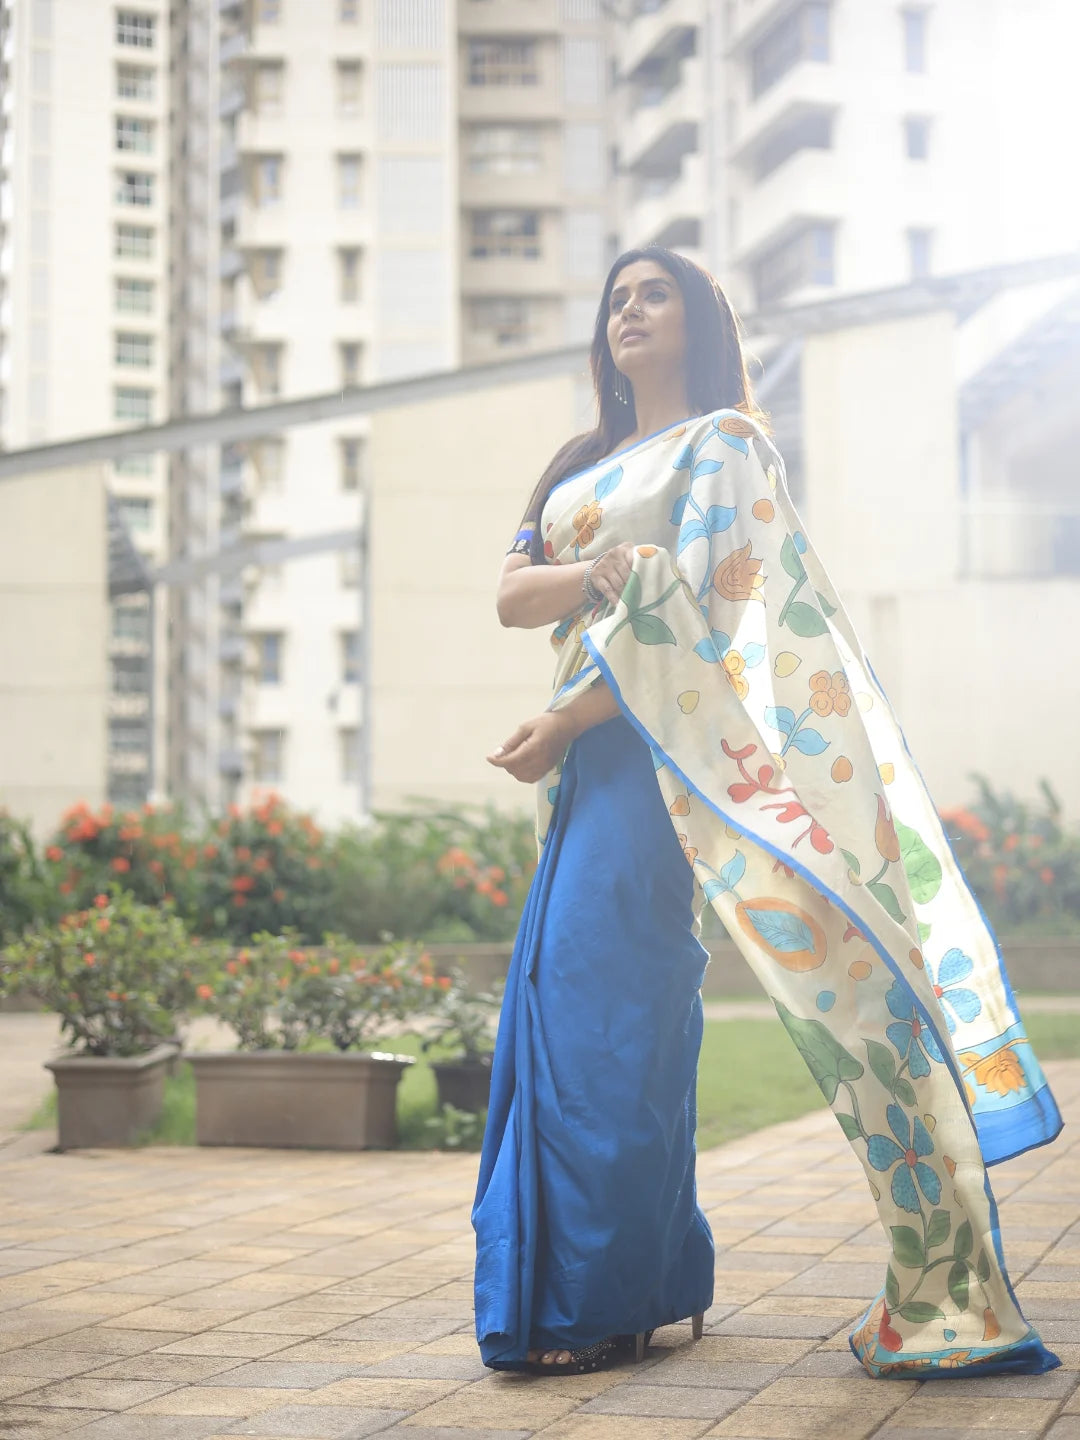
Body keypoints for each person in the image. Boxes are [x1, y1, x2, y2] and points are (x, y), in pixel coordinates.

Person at [472, 245, 1061, 1380]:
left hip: (664, 757)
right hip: (586, 764)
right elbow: (510, 596)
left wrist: (572, 708)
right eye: (616, 298)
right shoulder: (580, 460)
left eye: (655, 294)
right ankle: (641, 1285)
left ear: (700, 319)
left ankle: (606, 1296)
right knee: (574, 1006)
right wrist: (611, 575)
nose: (628, 311)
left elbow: (706, 617)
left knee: (609, 1013)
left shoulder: (727, 446)